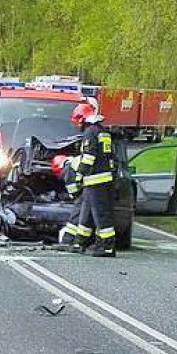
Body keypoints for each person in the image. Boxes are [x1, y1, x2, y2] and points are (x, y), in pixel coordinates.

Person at [70, 103, 117, 257]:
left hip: (96, 180)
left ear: (82, 119)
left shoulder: (90, 133)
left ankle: (108, 246)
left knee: (101, 215)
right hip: (100, 180)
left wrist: (78, 175)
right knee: (87, 213)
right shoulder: (103, 131)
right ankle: (80, 242)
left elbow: (89, 158)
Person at [54, 154, 84, 251]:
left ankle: (67, 241)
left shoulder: (68, 167)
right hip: (93, 188)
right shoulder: (75, 161)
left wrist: (72, 196)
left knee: (76, 216)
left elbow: (72, 187)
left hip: (86, 190)